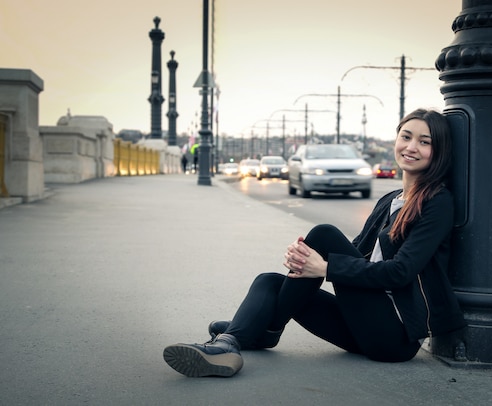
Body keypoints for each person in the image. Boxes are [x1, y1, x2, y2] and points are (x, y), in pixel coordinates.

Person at [163, 108, 466, 378]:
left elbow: (400, 272)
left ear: (438, 151)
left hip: (394, 336)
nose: (412, 147)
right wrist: (306, 262)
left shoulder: (437, 202)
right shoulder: (391, 200)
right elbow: (357, 252)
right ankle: (242, 339)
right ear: (396, 140)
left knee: (322, 234)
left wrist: (324, 266)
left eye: (424, 142)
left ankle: (243, 334)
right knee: (270, 282)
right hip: (360, 325)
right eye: (406, 136)